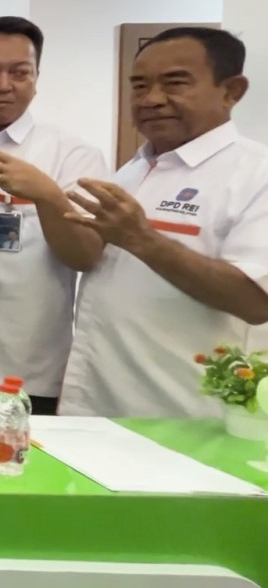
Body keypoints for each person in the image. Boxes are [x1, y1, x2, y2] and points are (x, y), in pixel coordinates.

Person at [64, 27, 268, 417]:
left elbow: (256, 301)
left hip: (191, 418)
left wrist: (142, 239)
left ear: (232, 91)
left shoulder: (256, 175)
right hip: (97, 405)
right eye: (139, 86)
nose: (152, 99)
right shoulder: (134, 169)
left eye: (175, 83)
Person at [0, 17, 108, 414]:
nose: (4, 85)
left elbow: (86, 256)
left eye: (19, 73)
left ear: (36, 80)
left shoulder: (73, 156)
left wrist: (47, 195)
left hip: (21, 371)